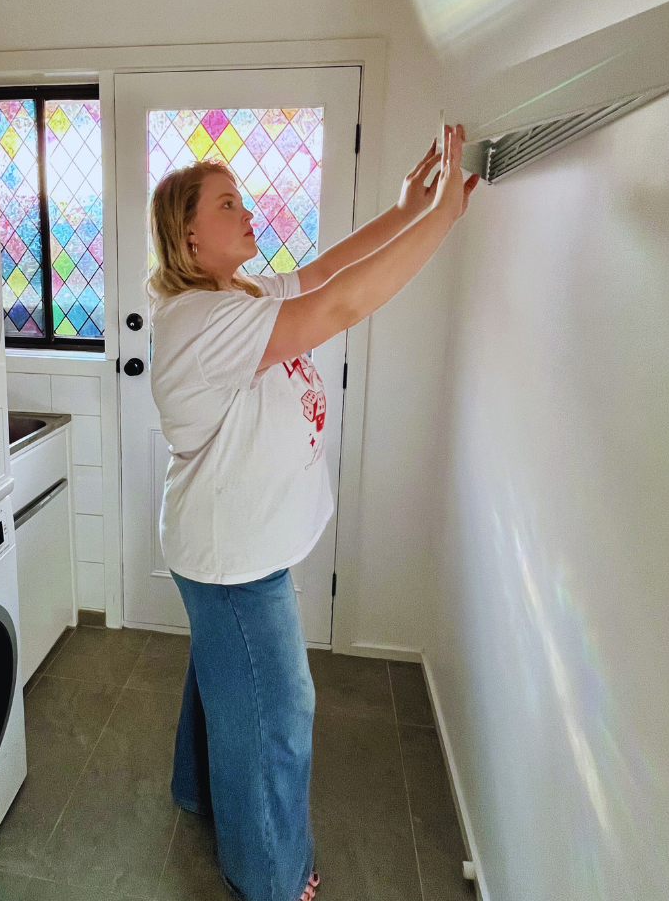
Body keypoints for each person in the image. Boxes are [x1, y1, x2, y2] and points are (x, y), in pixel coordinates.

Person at [147, 124, 478, 901]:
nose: (247, 210)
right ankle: (270, 876)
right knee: (277, 715)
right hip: (234, 558)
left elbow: (327, 271)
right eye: (228, 203)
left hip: (236, 541)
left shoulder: (240, 293)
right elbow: (344, 302)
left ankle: (196, 790)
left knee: (226, 677)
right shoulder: (199, 322)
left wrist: (405, 212)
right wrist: (441, 222)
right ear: (190, 237)